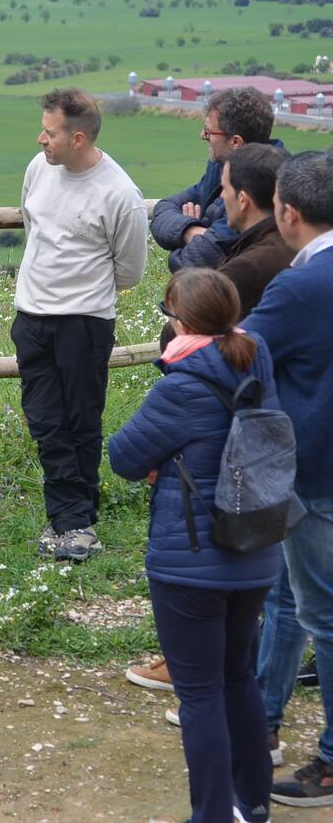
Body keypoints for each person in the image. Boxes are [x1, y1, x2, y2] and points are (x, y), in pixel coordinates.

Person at [110, 266, 281, 823]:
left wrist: (164, 462)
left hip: (190, 563)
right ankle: (253, 803)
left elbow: (124, 457)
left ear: (180, 322)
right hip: (255, 551)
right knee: (239, 677)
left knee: (200, 694)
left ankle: (211, 815)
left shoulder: (180, 386)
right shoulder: (257, 361)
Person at [129, 143, 296, 699]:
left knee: (275, 594)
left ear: (244, 198)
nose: (216, 197)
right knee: (271, 588)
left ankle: (225, 684)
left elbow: (193, 275)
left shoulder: (256, 265)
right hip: (255, 443)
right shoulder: (264, 247)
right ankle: (245, 695)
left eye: (223, 189)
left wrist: (193, 243)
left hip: (244, 455)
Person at [11, 88, 147, 563]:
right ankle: (74, 518)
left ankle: (73, 520)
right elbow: (36, 230)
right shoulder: (38, 169)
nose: (40, 139)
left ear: (79, 137)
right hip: (31, 317)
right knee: (46, 420)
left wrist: (80, 293)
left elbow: (129, 270)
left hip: (85, 322)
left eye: (50, 133)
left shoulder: (119, 194)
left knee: (80, 420)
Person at [240, 150, 333, 808]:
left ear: (288, 213)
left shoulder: (302, 286)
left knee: (322, 616)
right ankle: (262, 719)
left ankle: (331, 762)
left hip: (319, 472)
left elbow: (240, 352)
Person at [151, 87, 278, 271]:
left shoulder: (262, 186)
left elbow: (190, 263)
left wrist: (184, 241)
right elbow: (163, 209)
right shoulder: (219, 167)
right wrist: (191, 230)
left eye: (209, 132)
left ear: (235, 142)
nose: (202, 136)